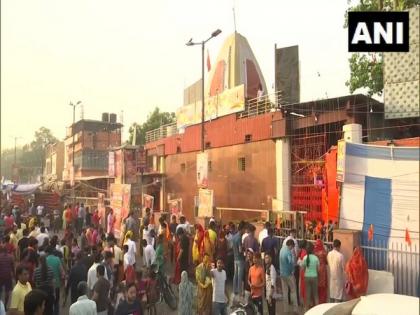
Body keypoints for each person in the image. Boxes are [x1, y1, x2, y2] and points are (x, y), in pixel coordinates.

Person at [279, 239, 298, 313]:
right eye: (292, 247)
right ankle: (295, 309)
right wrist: (292, 270)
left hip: (282, 273)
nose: (292, 248)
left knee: (285, 292)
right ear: (290, 245)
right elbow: (291, 263)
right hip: (289, 274)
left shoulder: (281, 250)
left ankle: (286, 310)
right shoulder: (288, 252)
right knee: (293, 291)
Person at [300, 242, 320, 311]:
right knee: (315, 295)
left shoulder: (305, 258)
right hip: (314, 277)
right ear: (313, 250)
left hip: (307, 277)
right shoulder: (316, 258)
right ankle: (317, 311)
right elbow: (318, 269)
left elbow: (302, 268)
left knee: (307, 294)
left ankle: (306, 310)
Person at [45, 246, 64, 315]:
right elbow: (62, 273)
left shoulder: (45, 260)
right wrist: (62, 282)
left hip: (48, 286)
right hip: (57, 285)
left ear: (47, 253)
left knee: (48, 303)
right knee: (56, 302)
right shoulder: (57, 259)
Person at [232, 221, 245, 302]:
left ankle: (234, 290)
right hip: (240, 259)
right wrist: (244, 249)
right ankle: (240, 292)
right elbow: (240, 249)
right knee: (240, 276)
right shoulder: (239, 237)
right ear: (242, 229)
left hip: (235, 258)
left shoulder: (234, 236)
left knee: (235, 275)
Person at [314, 239, 328, 303]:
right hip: (322, 269)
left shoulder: (314, 251)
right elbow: (326, 260)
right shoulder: (323, 251)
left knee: (317, 286)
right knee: (323, 286)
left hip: (316, 269)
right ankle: (322, 301)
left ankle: (317, 301)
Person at [297, 239, 308, 304]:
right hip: (305, 270)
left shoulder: (302, 251)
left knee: (303, 286)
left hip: (302, 270)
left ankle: (304, 300)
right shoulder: (305, 252)